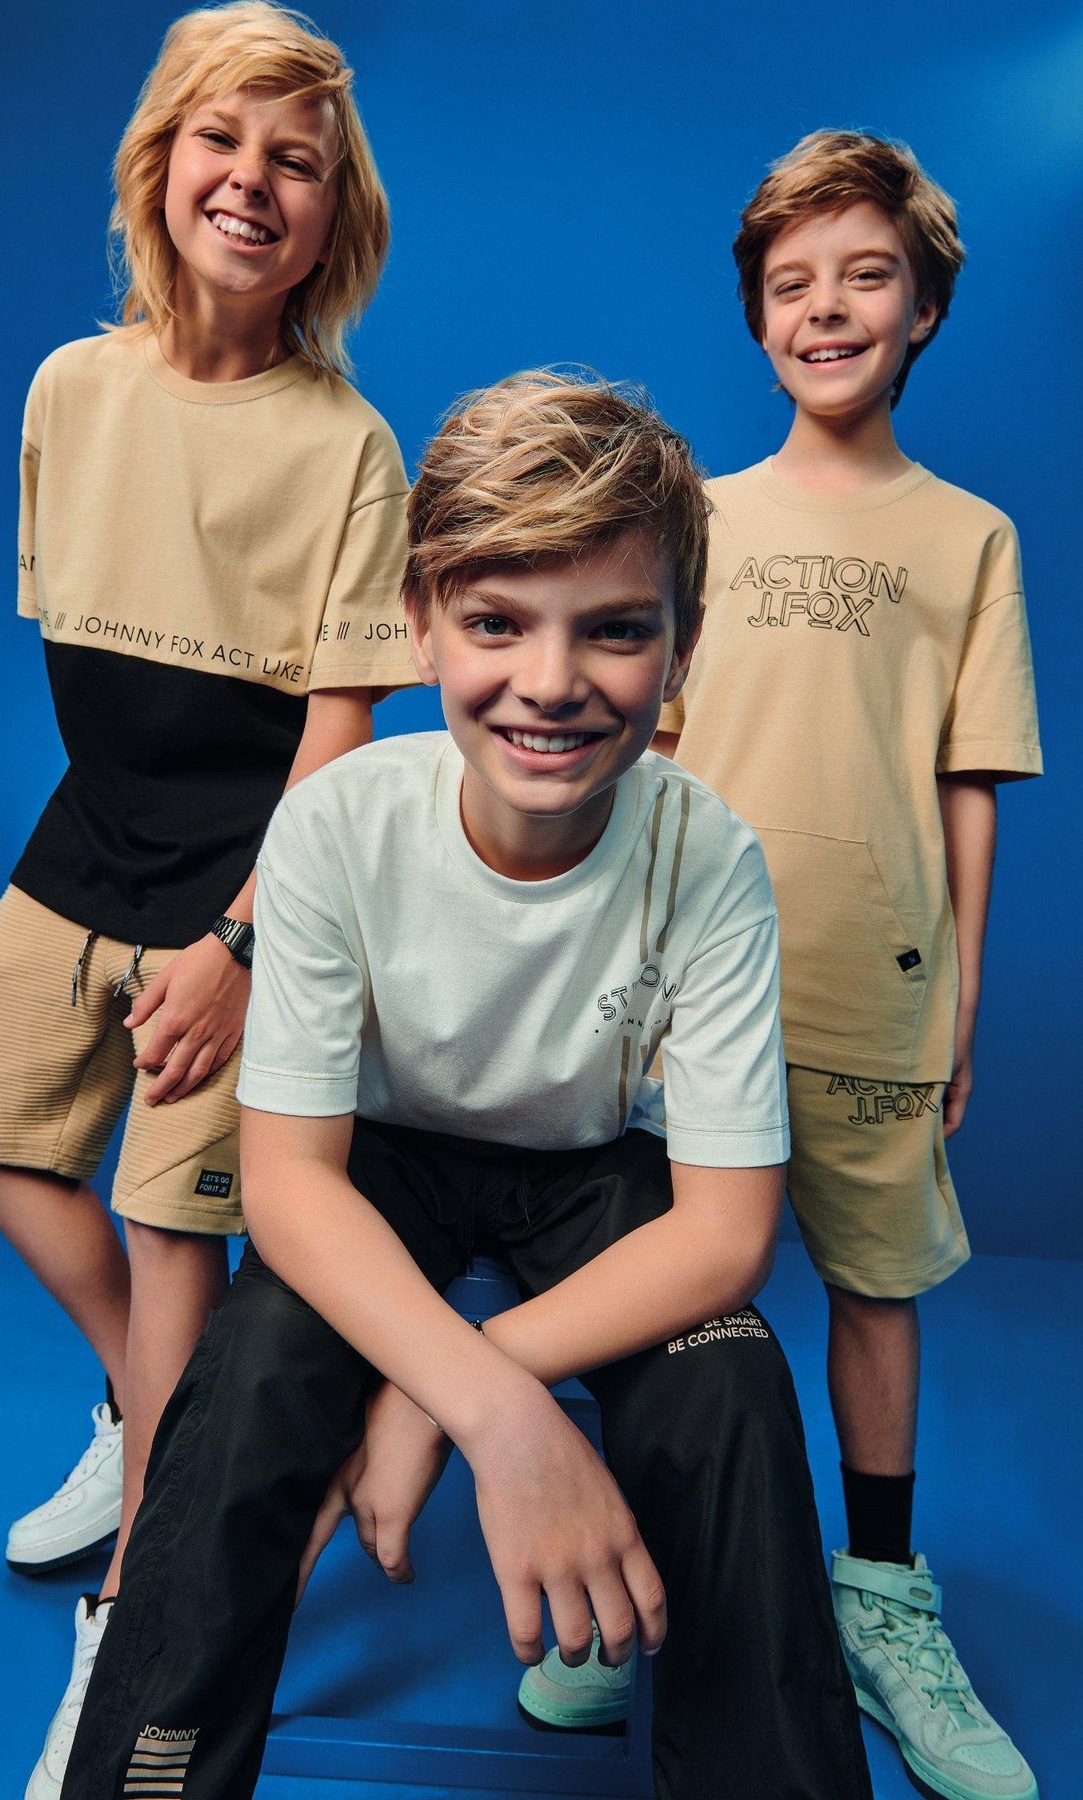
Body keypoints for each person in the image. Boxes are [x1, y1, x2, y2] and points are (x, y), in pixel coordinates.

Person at [60, 369, 873, 1800]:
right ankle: (144, 1766)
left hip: (596, 1173)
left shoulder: (709, 858)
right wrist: (503, 1417)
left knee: (730, 1386)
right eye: (498, 623)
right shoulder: (337, 825)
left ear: (682, 647)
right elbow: (292, 1187)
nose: (552, 681)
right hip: (379, 1164)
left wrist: (438, 1391)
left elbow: (726, 1232)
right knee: (245, 1381)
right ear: (423, 622)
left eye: (615, 628)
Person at [0, 5, 415, 1794]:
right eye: (223, 141)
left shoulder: (351, 445)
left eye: (297, 161)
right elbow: (91, 655)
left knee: (175, 1225)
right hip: (91, 835)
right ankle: (171, 1426)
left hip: (246, 871)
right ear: (160, 165)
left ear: (333, 216)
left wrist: (238, 944)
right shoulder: (69, 389)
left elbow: (335, 742)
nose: (253, 182)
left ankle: (139, 1610)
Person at [528, 133, 1041, 1800]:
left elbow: (967, 778)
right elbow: (644, 744)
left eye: (864, 276)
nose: (827, 308)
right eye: (793, 283)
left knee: (878, 1293)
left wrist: (962, 987)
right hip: (696, 992)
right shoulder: (695, 518)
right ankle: (637, 1580)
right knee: (679, 1286)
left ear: (923, 308)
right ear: (758, 317)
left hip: (875, 985)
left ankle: (881, 1599)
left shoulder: (972, 538)